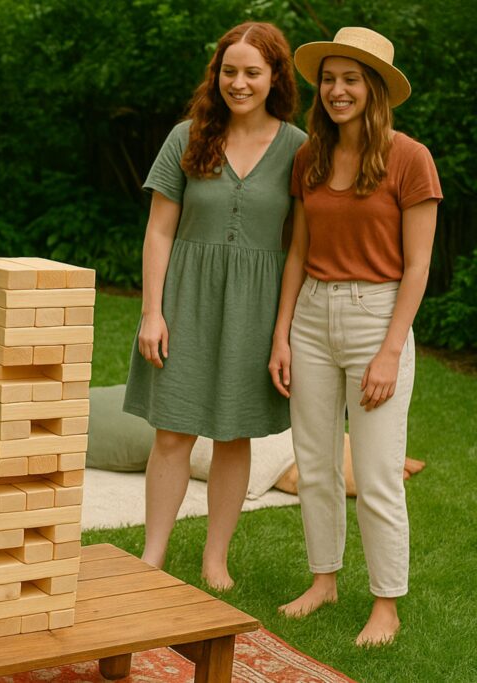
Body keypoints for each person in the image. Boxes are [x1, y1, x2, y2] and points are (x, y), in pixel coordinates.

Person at [269, 27, 441, 646]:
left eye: (351, 80)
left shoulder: (410, 158)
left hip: (378, 317)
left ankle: (386, 603)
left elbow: (418, 266)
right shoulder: (310, 157)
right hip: (311, 316)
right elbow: (298, 251)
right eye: (329, 79)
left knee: (375, 473)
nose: (337, 91)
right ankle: (323, 580)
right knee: (315, 463)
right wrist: (282, 335)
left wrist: (390, 351)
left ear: (374, 89)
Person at [124, 22, 305, 590]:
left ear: (274, 77)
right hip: (184, 300)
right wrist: (152, 312)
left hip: (256, 307)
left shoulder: (299, 147)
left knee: (233, 434)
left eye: (252, 72)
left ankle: (215, 560)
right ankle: (153, 554)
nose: (239, 83)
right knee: (172, 433)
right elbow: (158, 231)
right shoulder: (187, 135)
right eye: (229, 71)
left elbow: (298, 248)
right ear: (216, 74)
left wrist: (282, 333)